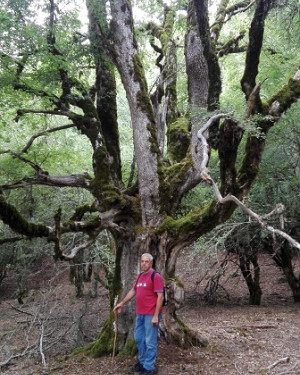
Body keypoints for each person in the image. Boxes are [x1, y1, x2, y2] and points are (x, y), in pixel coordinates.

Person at [113, 253, 164, 375]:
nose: (144, 263)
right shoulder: (141, 276)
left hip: (151, 314)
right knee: (139, 339)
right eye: (142, 261)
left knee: (150, 341)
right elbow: (133, 290)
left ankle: (149, 368)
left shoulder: (156, 276)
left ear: (151, 263)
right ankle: (142, 363)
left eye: (146, 261)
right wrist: (122, 303)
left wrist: (156, 316)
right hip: (140, 314)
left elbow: (160, 297)